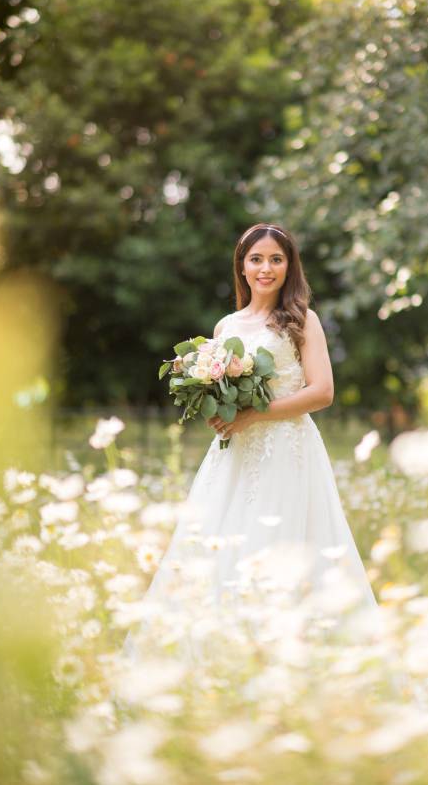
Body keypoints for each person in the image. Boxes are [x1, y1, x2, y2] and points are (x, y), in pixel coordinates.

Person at [126, 223, 377, 655]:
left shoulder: (301, 320)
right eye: (256, 259)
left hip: (287, 450)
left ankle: (289, 652)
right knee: (218, 545)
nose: (266, 268)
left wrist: (251, 415)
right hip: (234, 456)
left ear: (288, 266)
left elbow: (322, 392)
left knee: (280, 545)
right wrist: (217, 406)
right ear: (242, 266)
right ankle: (223, 652)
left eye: (276, 259)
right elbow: (219, 390)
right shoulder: (226, 326)